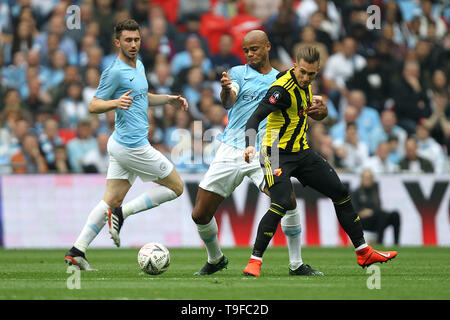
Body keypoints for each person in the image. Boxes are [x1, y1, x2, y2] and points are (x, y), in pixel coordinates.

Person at [243, 46, 397, 277]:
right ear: (295, 65)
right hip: (274, 152)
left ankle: (363, 251)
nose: (306, 78)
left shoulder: (306, 84)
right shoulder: (280, 91)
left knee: (340, 192)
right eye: (303, 72)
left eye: (311, 74)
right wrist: (249, 144)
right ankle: (254, 261)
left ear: (317, 71)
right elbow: (254, 117)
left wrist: (322, 112)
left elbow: (317, 115)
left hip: (301, 152)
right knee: (281, 202)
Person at [191, 30, 322, 277]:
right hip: (231, 148)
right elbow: (229, 100)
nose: (250, 54)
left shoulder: (283, 79)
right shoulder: (239, 74)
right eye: (246, 50)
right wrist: (225, 90)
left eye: (255, 49)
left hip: (266, 148)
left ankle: (296, 264)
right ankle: (215, 258)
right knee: (200, 214)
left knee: (288, 201)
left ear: (267, 47)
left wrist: (319, 109)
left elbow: (304, 103)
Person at [64, 19, 188, 270]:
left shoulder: (139, 65)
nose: (133, 44)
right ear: (117, 42)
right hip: (132, 147)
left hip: (122, 145)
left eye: (137, 39)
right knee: (176, 187)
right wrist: (114, 103)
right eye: (128, 40)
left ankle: (77, 251)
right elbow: (93, 105)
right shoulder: (114, 71)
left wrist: (168, 99)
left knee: (110, 199)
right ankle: (123, 213)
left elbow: (143, 96)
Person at [351, 169, 401, 245]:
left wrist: (372, 211)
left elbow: (378, 207)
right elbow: (354, 211)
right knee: (381, 215)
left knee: (395, 215)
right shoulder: (356, 192)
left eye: (370, 178)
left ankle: (396, 243)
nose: (368, 180)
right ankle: (380, 242)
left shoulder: (375, 190)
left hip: (377, 217)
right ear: (361, 179)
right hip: (363, 221)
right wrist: (363, 212)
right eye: (366, 178)